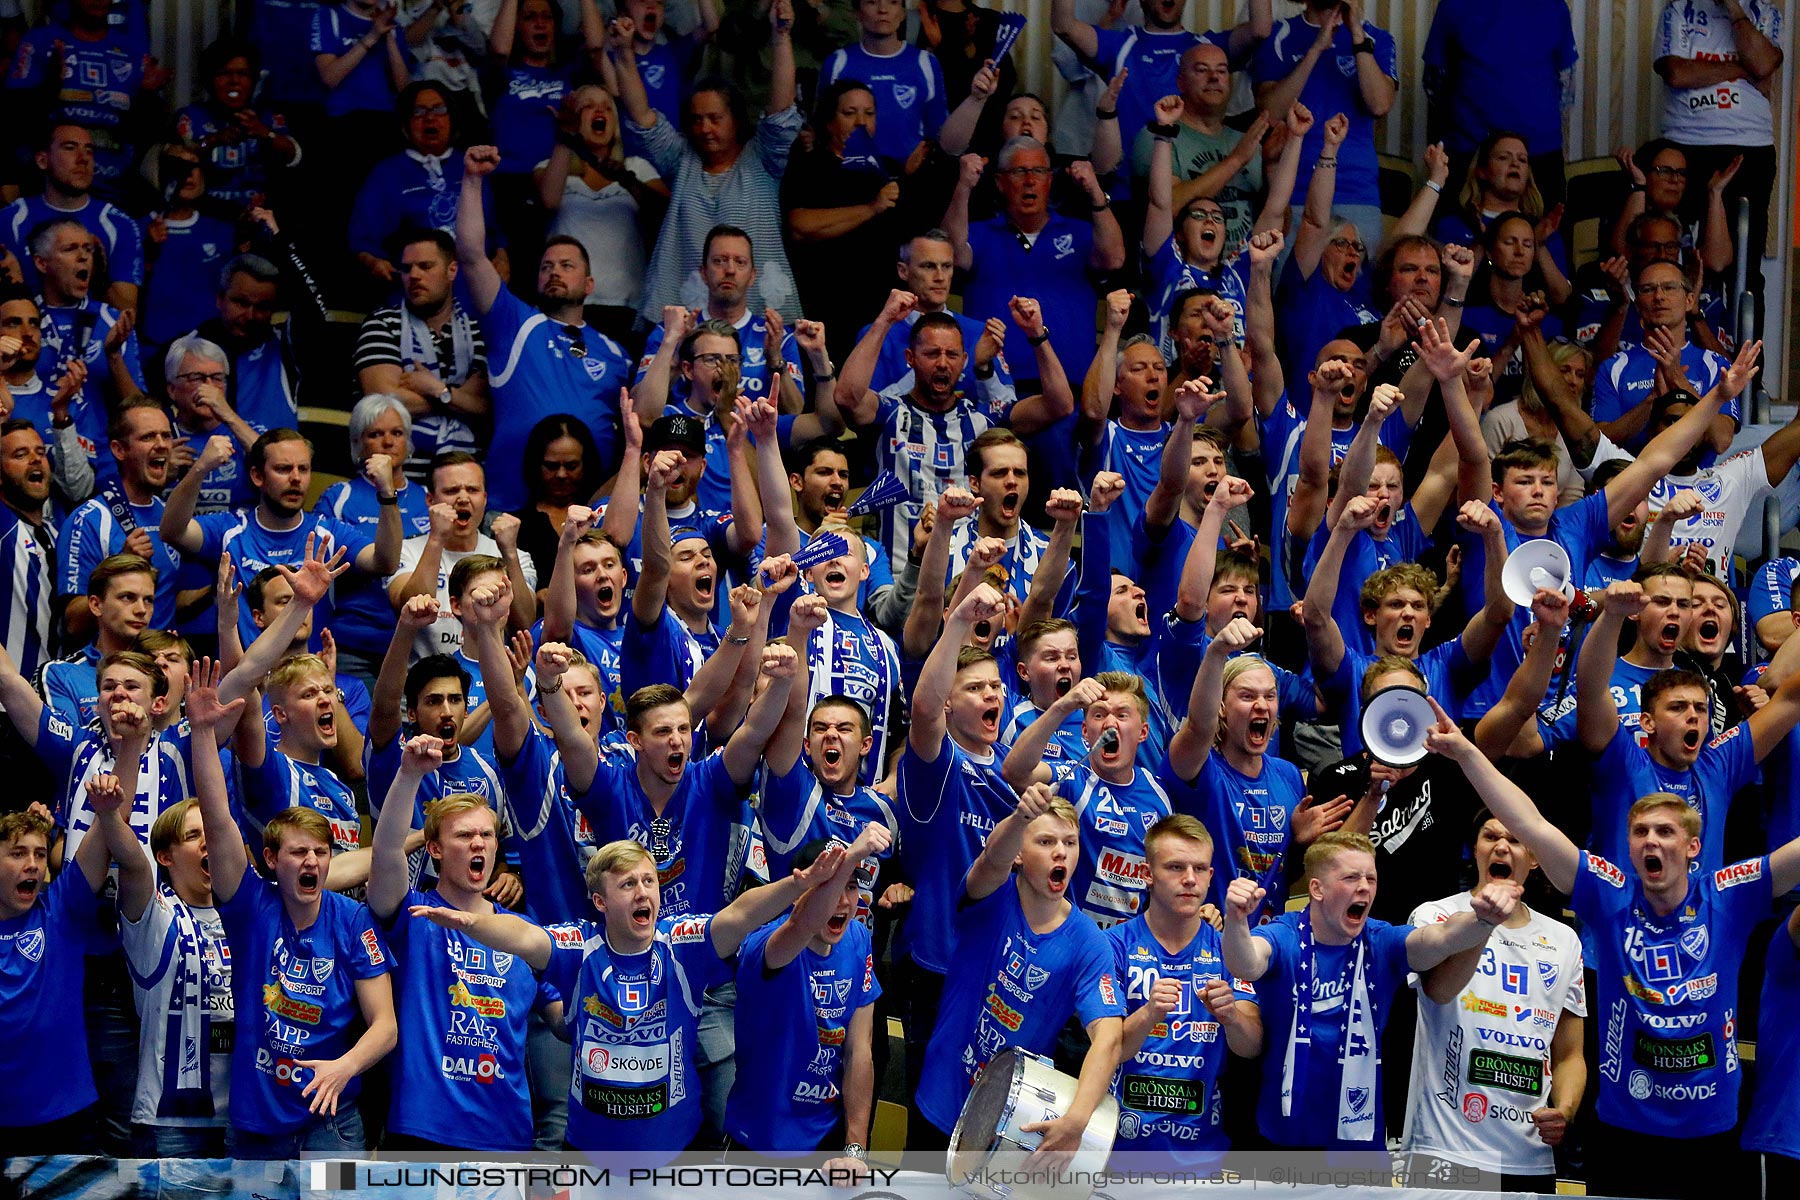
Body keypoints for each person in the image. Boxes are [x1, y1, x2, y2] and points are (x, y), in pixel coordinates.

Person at [1424, 704, 1800, 1200]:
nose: (1650, 841)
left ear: (1692, 847)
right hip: (1624, 1131)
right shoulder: (1610, 892)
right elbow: (1531, 824)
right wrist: (1468, 754)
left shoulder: (1729, 895)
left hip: (1712, 1132)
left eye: (1665, 832)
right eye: (1640, 832)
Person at [407, 833, 865, 1159]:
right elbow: (522, 935)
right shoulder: (579, 947)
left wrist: (799, 885)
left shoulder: (681, 945)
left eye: (649, 881)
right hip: (588, 1153)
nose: (643, 891)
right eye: (628, 884)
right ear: (601, 902)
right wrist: (472, 923)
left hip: (672, 1154)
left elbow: (739, 915)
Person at [185, 660, 398, 1158]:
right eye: (298, 853)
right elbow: (217, 819)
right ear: (271, 859)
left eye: (320, 853)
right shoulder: (251, 907)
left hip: (335, 1123)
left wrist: (344, 1067)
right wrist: (200, 734)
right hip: (256, 1124)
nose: (311, 862)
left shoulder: (353, 920)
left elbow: (385, 1025)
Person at [1221, 830, 1521, 1151]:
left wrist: (1482, 919)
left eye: (1371, 878)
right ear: (1316, 889)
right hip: (1283, 1136)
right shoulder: (1284, 934)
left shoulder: (1381, 940)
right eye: (1351, 878)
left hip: (1359, 1139)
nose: (1364, 887)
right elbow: (1246, 963)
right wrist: (1237, 920)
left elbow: (1442, 937)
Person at [912, 783, 1125, 1153]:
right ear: (1019, 855)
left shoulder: (1089, 942)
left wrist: (1076, 1121)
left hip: (1006, 1124)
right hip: (940, 1096)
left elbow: (1108, 1038)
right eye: (1045, 842)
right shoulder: (992, 895)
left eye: (1070, 843)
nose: (1060, 852)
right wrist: (1021, 818)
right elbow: (991, 860)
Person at [366, 736, 552, 1151]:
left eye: (487, 835)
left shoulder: (522, 932)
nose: (478, 844)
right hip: (423, 1131)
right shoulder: (412, 913)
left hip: (504, 1136)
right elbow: (386, 851)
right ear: (434, 848)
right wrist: (409, 774)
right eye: (464, 835)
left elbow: (562, 1016)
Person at [1399, 810, 1586, 1191]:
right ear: (1476, 851)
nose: (1501, 845)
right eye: (1490, 837)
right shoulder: (1436, 915)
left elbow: (1569, 1053)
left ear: (1534, 859)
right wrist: (1484, 922)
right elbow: (1437, 991)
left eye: (1515, 838)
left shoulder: (1564, 940)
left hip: (1528, 1157)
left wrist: (1564, 1110)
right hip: (1444, 1149)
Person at [836, 290, 1073, 573]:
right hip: (901, 575)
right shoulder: (890, 412)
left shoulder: (982, 421)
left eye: (951, 355)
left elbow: (1060, 405)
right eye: (932, 354)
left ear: (963, 361)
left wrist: (1037, 335)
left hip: (964, 581)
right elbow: (846, 398)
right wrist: (885, 320)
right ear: (910, 358)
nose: (942, 363)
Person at [456, 145, 632, 513]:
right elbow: (472, 254)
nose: (554, 272)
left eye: (567, 266)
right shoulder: (514, 322)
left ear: (589, 284)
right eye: (546, 266)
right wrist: (472, 180)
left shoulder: (617, 354)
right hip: (511, 505)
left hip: (588, 512)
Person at [616, 1, 805, 324]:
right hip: (686, 318)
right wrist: (623, 54)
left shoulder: (763, 159)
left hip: (760, 316)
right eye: (697, 119)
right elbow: (642, 116)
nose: (705, 128)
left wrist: (781, 37)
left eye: (715, 118)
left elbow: (780, 111)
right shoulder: (681, 160)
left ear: (736, 119)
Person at [1164, 617, 1346, 924]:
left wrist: (1298, 841)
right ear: (1221, 706)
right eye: (1247, 696)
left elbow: (1283, 873)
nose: (1262, 705)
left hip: (1265, 943)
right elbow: (1198, 726)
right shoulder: (1200, 765)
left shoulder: (1288, 775)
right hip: (1207, 935)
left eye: (1270, 696)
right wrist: (1216, 653)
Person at [723, 828, 890, 1163]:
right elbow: (800, 926)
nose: (843, 900)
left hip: (824, 1138)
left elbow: (859, 1051)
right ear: (800, 895)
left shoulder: (858, 940)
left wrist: (854, 1148)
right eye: (828, 886)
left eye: (851, 885)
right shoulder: (767, 942)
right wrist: (851, 859)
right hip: (760, 1140)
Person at [1106, 813, 1261, 1163]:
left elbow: (1251, 1046)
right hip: (1118, 1150)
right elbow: (1107, 1050)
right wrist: (1148, 1014)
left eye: (1199, 868)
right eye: (1175, 867)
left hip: (1204, 1154)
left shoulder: (1230, 949)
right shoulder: (1112, 946)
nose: (1189, 880)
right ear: (1147, 875)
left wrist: (1232, 1016)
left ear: (1210, 875)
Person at [160, 428, 401, 649]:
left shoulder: (328, 532)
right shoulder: (230, 530)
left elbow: (385, 562)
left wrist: (387, 494)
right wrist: (200, 468)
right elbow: (172, 531)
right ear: (257, 476)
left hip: (308, 679)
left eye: (303, 469)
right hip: (244, 682)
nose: (296, 478)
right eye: (283, 469)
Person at [0, 785, 139, 1153]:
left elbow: (102, 829)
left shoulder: (60, 909)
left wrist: (108, 805)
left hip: (68, 1123)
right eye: (18, 853)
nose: (32, 863)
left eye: (40, 854)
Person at [944, 139, 1124, 388]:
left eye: (1038, 171)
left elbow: (1114, 258)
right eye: (1019, 171)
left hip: (1071, 389)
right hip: (993, 388)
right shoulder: (978, 233)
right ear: (1000, 182)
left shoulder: (1079, 232)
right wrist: (964, 186)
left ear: (1050, 180)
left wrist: (1094, 190)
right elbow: (949, 256)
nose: (1030, 180)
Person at [116, 795, 235, 1157]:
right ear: (166, 856)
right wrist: (109, 815)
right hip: (171, 1126)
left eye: (211, 831)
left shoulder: (246, 910)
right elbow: (134, 865)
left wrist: (408, 839)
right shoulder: (156, 915)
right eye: (192, 834)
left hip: (242, 1118)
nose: (207, 841)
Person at [1653, 0, 1784, 312]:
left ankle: (1745, 359)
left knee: (1743, 269)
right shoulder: (1678, 9)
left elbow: (1764, 64)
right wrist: (1743, 68)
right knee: (1680, 257)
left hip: (1749, 150)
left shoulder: (1763, 12)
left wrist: (1735, 11)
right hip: (1685, 145)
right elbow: (1675, 72)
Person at [780, 82, 920, 356]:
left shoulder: (887, 170)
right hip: (826, 308)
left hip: (881, 313)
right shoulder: (810, 166)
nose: (860, 122)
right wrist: (871, 208)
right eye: (849, 113)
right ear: (830, 121)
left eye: (869, 113)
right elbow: (800, 226)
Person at [1252, 0, 1397, 259]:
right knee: (1290, 295)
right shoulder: (1277, 35)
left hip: (1356, 195)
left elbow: (1380, 104)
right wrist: (1316, 48)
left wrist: (1356, 34)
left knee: (1356, 295)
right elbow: (1270, 114)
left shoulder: (1377, 38)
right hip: (1293, 196)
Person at [1049, 0, 1270, 168]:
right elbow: (1064, 26)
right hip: (1129, 191)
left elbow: (1260, 30)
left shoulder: (1206, 48)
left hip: (1194, 188)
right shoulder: (1119, 45)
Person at [313, 396, 434, 682]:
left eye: (397, 433)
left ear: (409, 441)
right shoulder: (339, 496)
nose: (388, 442)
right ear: (358, 444)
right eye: (375, 434)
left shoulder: (429, 497)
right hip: (352, 642)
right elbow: (320, 566)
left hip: (418, 644)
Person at [353, 230, 492, 478]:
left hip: (465, 479)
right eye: (406, 269)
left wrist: (435, 388)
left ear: (452, 270)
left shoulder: (479, 331)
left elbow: (485, 406)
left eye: (425, 266)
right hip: (397, 478)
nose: (414, 275)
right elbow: (384, 405)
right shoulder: (381, 323)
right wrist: (455, 397)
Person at [537, 84, 667, 343]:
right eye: (588, 106)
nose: (600, 111)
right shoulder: (550, 168)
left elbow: (665, 213)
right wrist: (565, 137)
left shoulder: (638, 168)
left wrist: (625, 180)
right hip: (568, 304)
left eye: (608, 107)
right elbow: (548, 201)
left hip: (626, 307)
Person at [350, 82, 505, 295]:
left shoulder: (473, 163)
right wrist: (374, 263)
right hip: (416, 290)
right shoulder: (387, 173)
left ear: (453, 119)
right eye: (418, 111)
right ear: (405, 125)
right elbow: (362, 240)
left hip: (475, 287)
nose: (430, 118)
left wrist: (503, 256)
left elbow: (497, 230)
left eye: (439, 110)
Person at [5, 1, 165, 202]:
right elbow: (13, 118)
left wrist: (147, 96)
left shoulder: (131, 51)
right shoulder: (40, 41)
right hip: (52, 188)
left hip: (116, 185)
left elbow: (145, 129)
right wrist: (50, 85)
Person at [1421, 0, 1579, 202]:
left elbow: (1566, 82)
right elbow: (1436, 81)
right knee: (1454, 230)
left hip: (1539, 153)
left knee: (1548, 229)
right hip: (1469, 152)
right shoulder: (1453, 5)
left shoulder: (1554, 6)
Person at [390, 452, 537, 661]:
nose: (463, 498)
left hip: (491, 681)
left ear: (485, 498)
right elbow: (414, 611)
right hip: (423, 682)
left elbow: (524, 625)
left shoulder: (514, 555)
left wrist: (510, 554)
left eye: (472, 490)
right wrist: (436, 538)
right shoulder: (407, 550)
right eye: (451, 491)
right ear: (430, 500)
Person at [57, 402, 184, 639]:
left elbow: (169, 599)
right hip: (110, 669)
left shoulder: (170, 514)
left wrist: (215, 591)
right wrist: (122, 566)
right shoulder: (90, 519)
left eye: (166, 436)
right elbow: (73, 622)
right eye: (148, 437)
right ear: (118, 449)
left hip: (160, 665)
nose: (161, 445)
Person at [1589, 262, 1735, 460]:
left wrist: (1679, 382)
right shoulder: (1613, 367)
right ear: (1638, 306)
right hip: (1633, 484)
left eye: (1670, 287)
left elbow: (1721, 440)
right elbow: (1600, 443)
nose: (1659, 297)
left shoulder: (1716, 365)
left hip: (1697, 486)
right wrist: (1653, 399)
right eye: (1648, 290)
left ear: (1690, 301)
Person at [0, 124, 141, 311]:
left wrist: (99, 281)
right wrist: (14, 285)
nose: (83, 159)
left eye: (89, 151)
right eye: (70, 148)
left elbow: (127, 316)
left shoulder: (120, 224)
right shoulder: (10, 220)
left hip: (95, 339)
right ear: (43, 160)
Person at [853, 230, 1011, 395]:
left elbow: (1006, 409)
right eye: (929, 266)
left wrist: (984, 370)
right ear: (903, 271)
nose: (940, 277)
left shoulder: (980, 333)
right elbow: (862, 408)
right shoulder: (876, 335)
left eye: (946, 266)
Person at [172, 38, 303, 210]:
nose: (234, 81)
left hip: (258, 215)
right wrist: (214, 140)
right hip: (208, 216)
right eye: (224, 73)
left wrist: (265, 133)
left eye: (243, 74)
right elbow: (181, 157)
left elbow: (294, 155)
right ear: (209, 79)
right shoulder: (191, 116)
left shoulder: (269, 118)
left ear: (254, 80)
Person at [818, 0, 949, 168]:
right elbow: (821, 130)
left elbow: (939, 132)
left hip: (911, 179)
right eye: (872, 2)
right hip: (850, 178)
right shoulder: (837, 62)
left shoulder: (926, 62)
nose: (883, 10)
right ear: (856, 13)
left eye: (893, 2)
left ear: (902, 13)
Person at [40, 553, 159, 727]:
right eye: (128, 597)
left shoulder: (164, 670)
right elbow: (62, 750)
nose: (142, 610)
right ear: (96, 605)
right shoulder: (61, 674)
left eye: (148, 600)